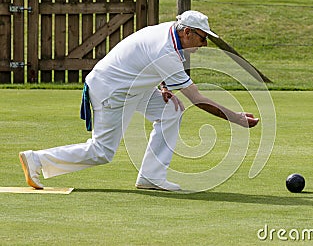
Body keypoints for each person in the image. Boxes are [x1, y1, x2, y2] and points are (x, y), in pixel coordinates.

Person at [19, 10, 259, 191]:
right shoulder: (166, 50)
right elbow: (197, 99)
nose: (204, 44)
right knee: (101, 151)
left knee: (170, 111)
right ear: (187, 32)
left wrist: (164, 86)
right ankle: (36, 160)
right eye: (202, 38)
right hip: (111, 90)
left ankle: (151, 176)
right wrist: (236, 118)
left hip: (134, 87)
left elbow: (147, 59)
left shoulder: (171, 31)